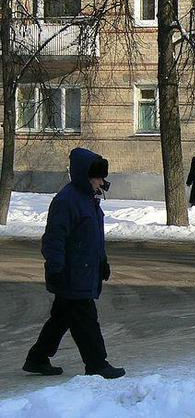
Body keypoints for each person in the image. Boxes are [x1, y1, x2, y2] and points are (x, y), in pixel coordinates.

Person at [22, 148, 125, 379]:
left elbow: (93, 238)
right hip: (71, 273)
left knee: (62, 317)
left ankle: (37, 358)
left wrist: (102, 261)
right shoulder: (67, 201)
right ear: (85, 176)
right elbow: (53, 239)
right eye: (98, 177)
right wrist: (56, 268)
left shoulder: (89, 200)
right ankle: (97, 364)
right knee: (85, 319)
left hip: (83, 271)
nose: (102, 182)